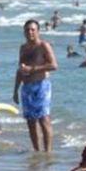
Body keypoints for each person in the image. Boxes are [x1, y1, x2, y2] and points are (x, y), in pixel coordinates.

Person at [13, 20, 58, 152]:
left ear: (38, 31)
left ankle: (48, 151)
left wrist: (32, 69)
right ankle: (37, 151)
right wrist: (15, 89)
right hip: (26, 87)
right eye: (27, 30)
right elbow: (20, 69)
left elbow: (54, 65)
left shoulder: (43, 46)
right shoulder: (23, 48)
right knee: (30, 121)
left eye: (32, 29)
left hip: (41, 85)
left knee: (44, 118)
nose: (30, 32)